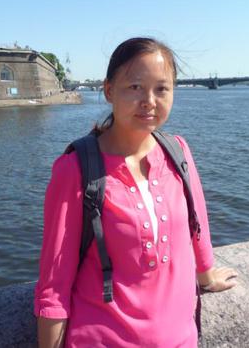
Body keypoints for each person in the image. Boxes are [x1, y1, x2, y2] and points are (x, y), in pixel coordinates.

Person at [34, 37, 237, 348]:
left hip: (182, 339)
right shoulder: (74, 170)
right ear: (109, 90)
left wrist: (206, 275)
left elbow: (197, 225)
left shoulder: (177, 152)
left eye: (162, 89)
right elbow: (54, 283)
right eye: (135, 87)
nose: (149, 101)